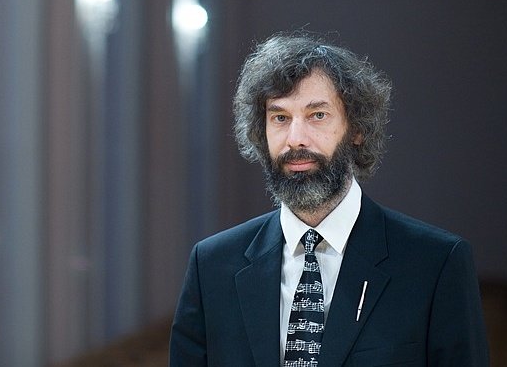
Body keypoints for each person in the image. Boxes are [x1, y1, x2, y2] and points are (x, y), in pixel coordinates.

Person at [169, 33, 489, 366]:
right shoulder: (212, 266)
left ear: (357, 129)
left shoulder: (435, 264)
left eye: (317, 115)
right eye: (280, 118)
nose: (296, 139)